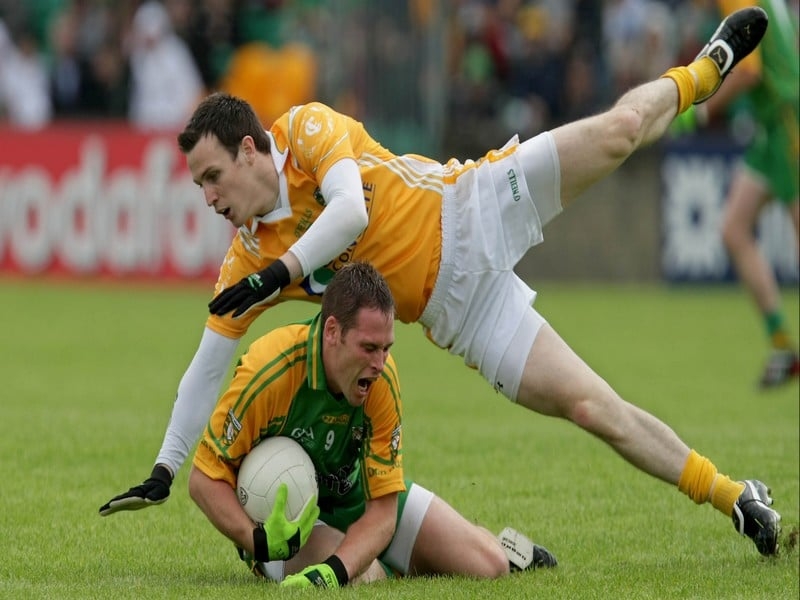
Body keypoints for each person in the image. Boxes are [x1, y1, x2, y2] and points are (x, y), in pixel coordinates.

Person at [100, 8, 783, 557]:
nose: (208, 197)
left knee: (622, 129)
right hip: (462, 312)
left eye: (211, 176)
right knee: (593, 407)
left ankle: (702, 70)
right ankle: (735, 496)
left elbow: (351, 210)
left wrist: (282, 273)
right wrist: (165, 467)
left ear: (248, 150)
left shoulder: (304, 130)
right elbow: (206, 364)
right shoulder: (246, 258)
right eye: (198, 186)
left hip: (474, 205)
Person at [188, 261, 557, 587]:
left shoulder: (381, 380)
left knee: (489, 566)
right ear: (332, 332)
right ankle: (385, 564)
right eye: (368, 348)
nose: (380, 364)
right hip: (293, 528)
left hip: (359, 503)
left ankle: (495, 544)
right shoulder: (269, 370)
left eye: (387, 348)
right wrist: (258, 541)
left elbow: (382, 511)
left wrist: (333, 571)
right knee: (365, 577)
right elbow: (203, 478)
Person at [672, 0, 799, 388]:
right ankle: (782, 346)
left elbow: (746, 71)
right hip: (771, 126)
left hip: (789, 118)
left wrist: (702, 111)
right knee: (733, 229)